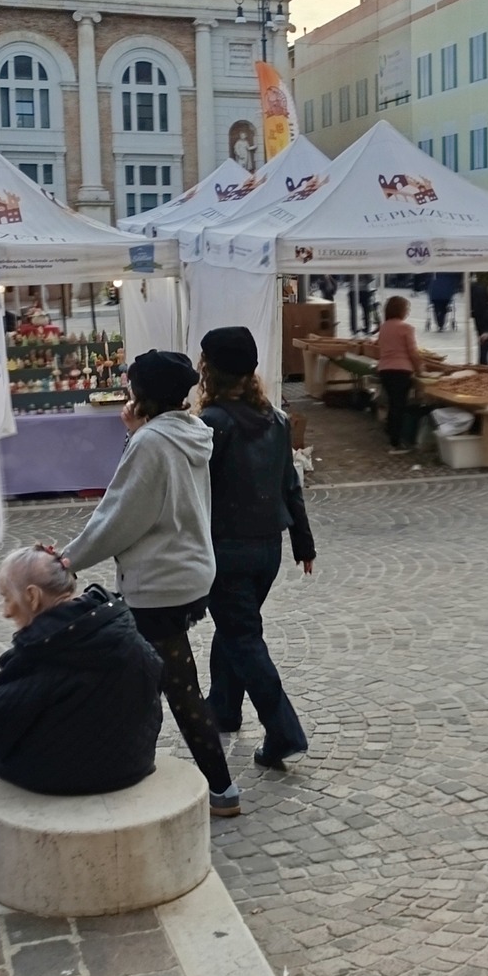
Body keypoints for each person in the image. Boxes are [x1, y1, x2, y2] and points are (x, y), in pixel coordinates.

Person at [53, 350, 241, 817]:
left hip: (161, 580)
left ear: (143, 395)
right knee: (154, 680)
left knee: (172, 687)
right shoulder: (188, 430)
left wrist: (69, 561)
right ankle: (145, 771)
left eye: (131, 385)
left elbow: (121, 515)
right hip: (188, 571)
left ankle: (218, 788)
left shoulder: (153, 442)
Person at [197, 327, 316, 769]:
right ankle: (223, 707)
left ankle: (283, 730)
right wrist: (303, 543)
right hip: (268, 549)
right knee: (236, 630)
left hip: (226, 550)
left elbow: (196, 493)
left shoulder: (210, 426)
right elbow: (292, 487)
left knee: (242, 636)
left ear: (210, 370)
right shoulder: (276, 420)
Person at [0, 547, 164, 796]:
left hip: (63, 778)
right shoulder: (118, 625)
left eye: (7, 597)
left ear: (32, 596)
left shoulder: (44, 652)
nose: (6, 611)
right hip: (134, 762)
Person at [373, 294, 425, 451]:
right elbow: (413, 352)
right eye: (407, 308)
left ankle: (390, 433)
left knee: (392, 404)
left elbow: (379, 347)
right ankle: (396, 442)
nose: (408, 311)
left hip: (385, 369)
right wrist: (420, 370)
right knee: (399, 406)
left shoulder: (384, 327)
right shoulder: (406, 328)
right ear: (401, 310)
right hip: (401, 370)